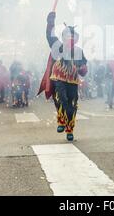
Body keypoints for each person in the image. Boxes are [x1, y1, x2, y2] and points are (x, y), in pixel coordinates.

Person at [38, 12, 88, 142]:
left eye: (72, 35)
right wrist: (50, 21)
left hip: (72, 81)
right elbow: (50, 35)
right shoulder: (58, 46)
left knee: (72, 105)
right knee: (61, 100)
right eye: (67, 35)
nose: (70, 38)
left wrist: (82, 68)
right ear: (63, 36)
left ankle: (69, 129)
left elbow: (84, 68)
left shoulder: (78, 51)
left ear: (76, 37)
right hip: (58, 79)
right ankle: (61, 120)